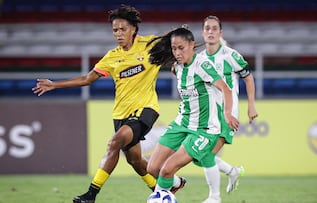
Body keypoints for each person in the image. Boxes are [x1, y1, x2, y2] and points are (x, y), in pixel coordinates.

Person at [32, 5, 172, 203]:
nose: (119, 34)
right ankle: (164, 191)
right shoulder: (112, 56)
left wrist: (181, 55)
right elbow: (88, 79)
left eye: (123, 29)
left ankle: (91, 194)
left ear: (133, 29)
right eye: (115, 30)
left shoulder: (149, 44)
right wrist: (55, 85)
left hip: (145, 109)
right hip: (120, 114)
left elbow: (175, 41)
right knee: (135, 161)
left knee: (114, 142)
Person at [145, 26, 240, 195]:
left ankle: (163, 196)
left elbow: (225, 89)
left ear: (191, 45)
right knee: (152, 168)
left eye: (181, 48)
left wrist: (227, 113)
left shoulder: (203, 65)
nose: (177, 53)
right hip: (182, 122)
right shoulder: (177, 67)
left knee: (167, 170)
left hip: (203, 129)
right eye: (174, 48)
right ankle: (177, 183)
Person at [199, 15, 258, 203]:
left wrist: (251, 105)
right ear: (202, 32)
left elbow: (248, 78)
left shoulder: (231, 55)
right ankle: (232, 171)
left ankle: (214, 197)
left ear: (220, 33)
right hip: (207, 115)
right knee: (199, 154)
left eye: (214, 28)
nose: (210, 31)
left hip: (227, 113)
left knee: (205, 155)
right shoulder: (198, 59)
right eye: (207, 28)